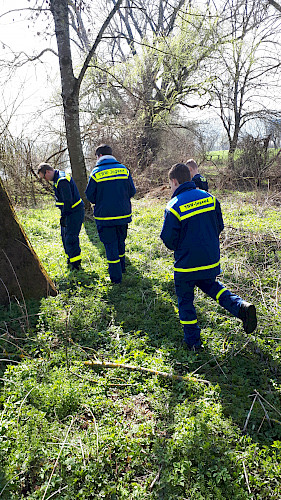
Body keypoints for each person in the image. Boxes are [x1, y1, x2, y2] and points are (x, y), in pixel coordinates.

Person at [160, 163, 257, 351]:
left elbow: (169, 240)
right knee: (212, 286)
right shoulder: (210, 198)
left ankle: (193, 343)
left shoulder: (173, 206)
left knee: (185, 301)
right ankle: (241, 308)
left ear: (174, 181)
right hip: (210, 260)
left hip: (186, 265)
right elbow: (219, 226)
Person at [85, 144, 136, 284]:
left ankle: (115, 278)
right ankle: (122, 268)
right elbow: (132, 191)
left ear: (99, 156)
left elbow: (90, 196)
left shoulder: (96, 173)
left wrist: (101, 201)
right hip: (123, 215)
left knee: (110, 245)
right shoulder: (124, 170)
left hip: (105, 217)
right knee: (120, 241)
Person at [37, 163, 85, 270]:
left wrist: (64, 216)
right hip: (69, 212)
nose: (45, 179)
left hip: (74, 212)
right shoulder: (58, 178)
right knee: (65, 237)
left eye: (44, 176)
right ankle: (71, 259)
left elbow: (68, 201)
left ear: (48, 171)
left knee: (70, 238)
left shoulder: (62, 180)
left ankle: (76, 264)